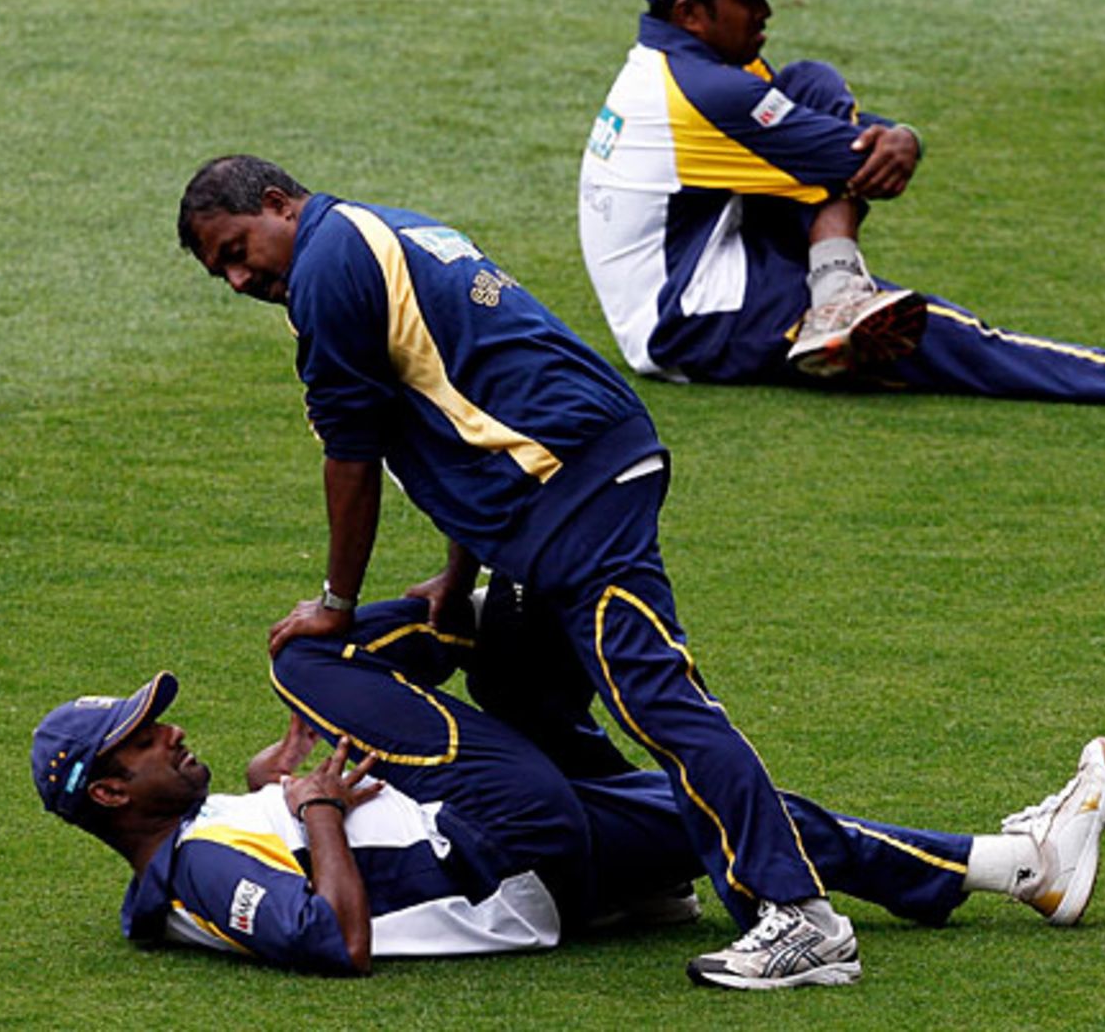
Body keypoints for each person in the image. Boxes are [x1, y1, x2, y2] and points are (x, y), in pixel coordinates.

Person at [175, 153, 872, 988]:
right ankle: (648, 877)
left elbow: (353, 457)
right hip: (571, 475)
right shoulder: (376, 232)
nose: (239, 279)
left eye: (238, 250)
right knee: (520, 675)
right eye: (221, 272)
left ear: (278, 204)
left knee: (660, 701)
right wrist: (456, 569)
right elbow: (452, 414)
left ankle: (798, 915)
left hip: (571, 488)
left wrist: (336, 601)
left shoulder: (326, 272)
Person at [32, 592, 1105, 986]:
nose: (169, 730)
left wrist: (280, 791)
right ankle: (481, 579)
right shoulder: (188, 872)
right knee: (317, 660)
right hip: (504, 846)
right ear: (113, 796)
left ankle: (1023, 865)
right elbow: (334, 943)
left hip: (515, 852)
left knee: (740, 817)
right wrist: (316, 809)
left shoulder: (206, 832)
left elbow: (307, 850)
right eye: (143, 739)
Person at [577, 0, 1105, 411]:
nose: (766, 11)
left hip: (704, 257)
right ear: (691, 13)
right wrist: (902, 140)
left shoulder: (684, 65)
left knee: (810, 81)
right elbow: (867, 166)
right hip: (695, 322)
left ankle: (835, 288)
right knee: (934, 335)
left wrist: (897, 136)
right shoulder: (709, 93)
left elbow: (832, 133)